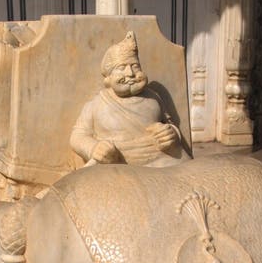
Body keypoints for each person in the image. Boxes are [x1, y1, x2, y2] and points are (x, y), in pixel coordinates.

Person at [70, 31, 183, 167]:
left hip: (159, 161)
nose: (130, 73)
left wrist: (171, 133)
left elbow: (170, 123)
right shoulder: (96, 105)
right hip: (116, 164)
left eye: (134, 66)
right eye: (121, 68)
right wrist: (94, 148)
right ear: (108, 77)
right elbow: (77, 136)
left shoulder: (153, 97)